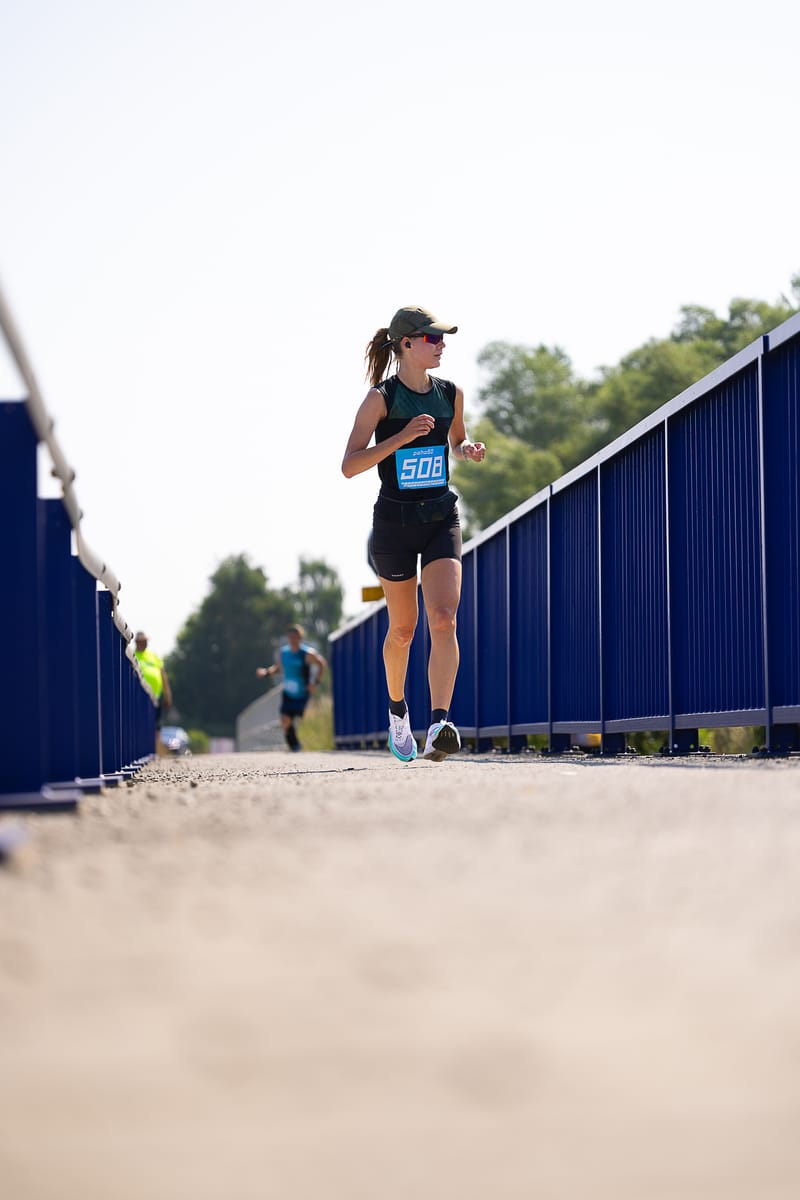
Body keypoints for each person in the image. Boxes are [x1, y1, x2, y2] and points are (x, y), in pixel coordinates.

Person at [341, 305, 486, 763]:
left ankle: (439, 723)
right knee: (403, 629)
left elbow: (456, 441)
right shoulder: (380, 399)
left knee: (444, 617)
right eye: (432, 338)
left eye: (442, 339)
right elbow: (350, 465)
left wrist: (467, 448)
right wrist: (400, 438)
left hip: (441, 518)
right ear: (406, 344)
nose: (441, 345)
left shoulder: (451, 393)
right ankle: (398, 713)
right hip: (394, 525)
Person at [256, 624, 327, 752]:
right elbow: (277, 668)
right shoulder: (283, 653)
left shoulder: (307, 653)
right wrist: (266, 672)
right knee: (285, 720)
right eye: (291, 637)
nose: (293, 639)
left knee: (299, 718)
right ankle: (294, 746)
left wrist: (315, 683)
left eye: (296, 637)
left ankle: (304, 742)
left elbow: (322, 664)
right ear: (288, 638)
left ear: (301, 638)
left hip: (302, 692)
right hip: (288, 691)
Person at [134, 631, 173, 750]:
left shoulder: (153, 656)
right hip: (138, 696)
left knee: (157, 724)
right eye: (142, 641)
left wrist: (168, 695)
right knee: (141, 723)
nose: (144, 643)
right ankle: (141, 750)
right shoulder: (132, 655)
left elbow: (163, 675)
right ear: (136, 642)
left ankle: (156, 750)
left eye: (146, 641)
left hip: (156, 696)